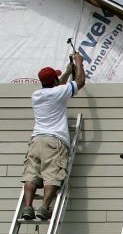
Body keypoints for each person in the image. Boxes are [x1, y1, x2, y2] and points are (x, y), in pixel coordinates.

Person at [21, 53, 86, 221]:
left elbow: (58, 86)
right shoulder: (57, 93)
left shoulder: (37, 95)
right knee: (52, 175)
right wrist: (79, 63)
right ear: (55, 82)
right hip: (54, 141)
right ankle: (44, 207)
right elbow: (80, 82)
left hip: (36, 141)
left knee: (31, 175)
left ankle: (28, 207)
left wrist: (66, 72)